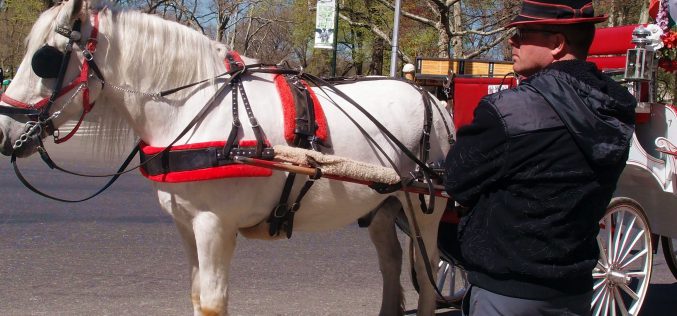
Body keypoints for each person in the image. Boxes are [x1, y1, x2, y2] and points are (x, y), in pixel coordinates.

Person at [444, 0, 637, 315]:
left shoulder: (508, 111)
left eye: (522, 34)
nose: (512, 41)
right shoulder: (618, 111)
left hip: (507, 292)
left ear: (557, 44)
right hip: (576, 291)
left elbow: (456, 181)